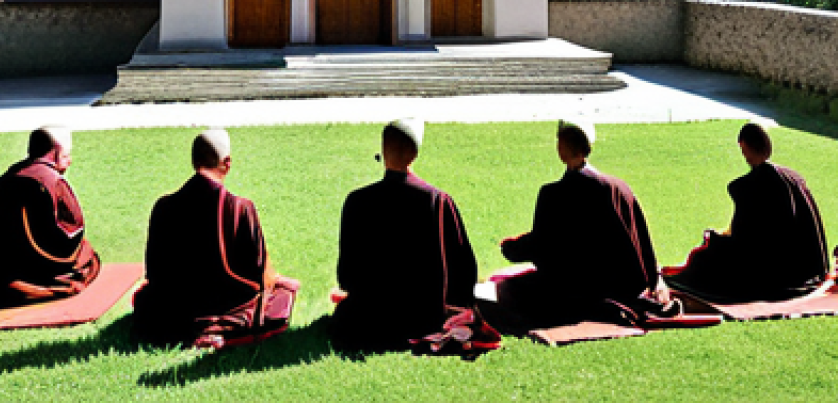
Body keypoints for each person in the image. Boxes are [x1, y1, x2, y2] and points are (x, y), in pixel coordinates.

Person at [486, 120, 676, 330]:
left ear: (562, 148)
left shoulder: (553, 194)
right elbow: (642, 241)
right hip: (623, 288)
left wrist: (512, 248)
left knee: (508, 290)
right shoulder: (619, 187)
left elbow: (544, 247)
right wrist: (653, 279)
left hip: (575, 291)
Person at [332, 118, 499, 354]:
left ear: (383, 151)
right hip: (423, 319)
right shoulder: (437, 201)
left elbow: (346, 278)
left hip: (366, 317)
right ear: (414, 154)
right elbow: (462, 271)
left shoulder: (356, 201)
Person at [133, 128, 300, 349]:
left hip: (175, 308)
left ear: (193, 161)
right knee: (280, 296)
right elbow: (257, 272)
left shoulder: (163, 206)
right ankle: (218, 329)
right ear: (227, 162)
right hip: (231, 304)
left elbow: (154, 271)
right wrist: (274, 280)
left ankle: (190, 329)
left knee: (145, 299)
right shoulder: (241, 208)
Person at [664, 122, 829, 302]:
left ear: (746, 147)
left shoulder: (751, 186)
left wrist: (718, 238)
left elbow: (744, 237)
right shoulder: (793, 178)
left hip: (770, 266)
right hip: (802, 265)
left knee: (706, 256)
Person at [0, 125, 99, 297]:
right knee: (87, 255)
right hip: (38, 266)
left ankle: (6, 281)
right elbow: (72, 234)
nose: (70, 161)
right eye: (66, 155)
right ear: (55, 153)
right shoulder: (51, 181)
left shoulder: (6, 178)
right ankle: (27, 284)